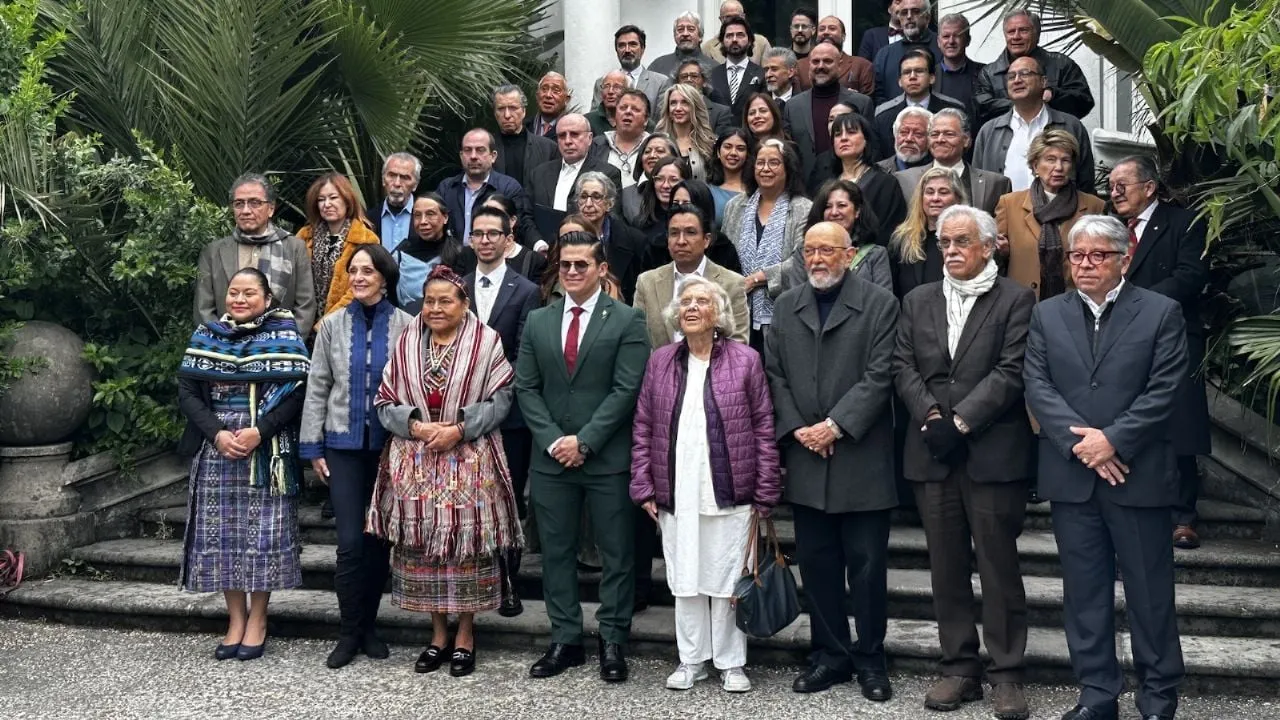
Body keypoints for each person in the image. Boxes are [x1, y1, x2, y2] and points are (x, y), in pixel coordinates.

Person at [1023, 215, 1187, 720]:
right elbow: (1038, 385)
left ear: (1125, 258)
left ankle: (1158, 697)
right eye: (1077, 256)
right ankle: (1097, 695)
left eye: (1098, 255)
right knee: (1085, 596)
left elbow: (1165, 388)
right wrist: (1084, 446)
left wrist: (1113, 440)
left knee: (1150, 594)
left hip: (1137, 476)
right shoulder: (1048, 314)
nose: (1086, 264)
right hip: (1074, 480)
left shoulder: (1161, 312)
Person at [892, 205, 1036, 720]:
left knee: (998, 568)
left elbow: (1011, 370)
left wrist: (960, 423)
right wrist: (931, 416)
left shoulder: (1017, 299)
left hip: (991, 453)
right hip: (931, 452)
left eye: (960, 242)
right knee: (945, 567)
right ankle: (958, 668)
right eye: (943, 242)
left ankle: (1007, 674)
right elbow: (902, 364)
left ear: (989, 246)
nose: (949, 251)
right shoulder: (917, 299)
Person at [765, 221, 900, 702]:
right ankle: (829, 656)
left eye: (828, 250)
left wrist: (835, 425)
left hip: (859, 458)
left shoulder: (880, 305)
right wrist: (800, 428)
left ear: (850, 254)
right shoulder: (785, 306)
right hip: (807, 457)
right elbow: (774, 374)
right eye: (810, 251)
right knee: (818, 566)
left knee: (867, 568)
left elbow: (881, 374)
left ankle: (870, 659)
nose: (817, 259)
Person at [368, 264, 522, 678]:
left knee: (465, 549)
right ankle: (437, 635)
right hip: (415, 462)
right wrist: (417, 426)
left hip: (470, 460)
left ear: (464, 304)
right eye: (429, 301)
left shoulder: (487, 343)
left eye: (445, 301)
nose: (435, 308)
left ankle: (466, 635)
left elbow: (502, 399)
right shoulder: (405, 344)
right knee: (423, 551)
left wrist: (458, 429)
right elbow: (384, 400)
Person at [631, 275, 780, 694]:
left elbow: (763, 427)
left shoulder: (746, 360)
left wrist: (766, 490)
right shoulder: (660, 360)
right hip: (677, 489)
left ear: (719, 313)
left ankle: (731, 662)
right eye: (685, 302)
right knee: (686, 576)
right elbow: (643, 426)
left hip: (731, 489)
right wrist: (642, 486)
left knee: (729, 576)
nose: (692, 307)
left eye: (701, 301)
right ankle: (691, 659)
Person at [515, 232, 650, 682]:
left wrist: (585, 441)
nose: (573, 272)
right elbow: (527, 388)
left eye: (582, 265)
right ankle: (565, 639)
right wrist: (555, 440)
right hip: (551, 459)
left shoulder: (628, 320)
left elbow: (626, 389)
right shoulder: (538, 321)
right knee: (555, 552)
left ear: (601, 268)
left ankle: (612, 639)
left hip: (607, 457)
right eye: (566, 265)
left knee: (617, 553)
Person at [177, 268, 309, 662]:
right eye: (233, 292)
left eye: (249, 293)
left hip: (262, 447)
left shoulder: (285, 337)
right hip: (217, 445)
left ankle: (259, 619)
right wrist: (216, 433)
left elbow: (298, 394)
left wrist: (260, 431)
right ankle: (235, 619)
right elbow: (187, 391)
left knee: (261, 536)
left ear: (267, 299)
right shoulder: (208, 336)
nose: (239, 299)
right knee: (221, 537)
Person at [300, 245, 413, 669]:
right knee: (349, 543)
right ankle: (348, 633)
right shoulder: (330, 325)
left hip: (388, 449)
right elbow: (317, 387)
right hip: (342, 446)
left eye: (368, 270)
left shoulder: (406, 325)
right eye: (354, 270)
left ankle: (370, 627)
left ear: (385, 277)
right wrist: (313, 448)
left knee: (378, 542)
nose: (360, 277)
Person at [1110, 155, 1211, 550]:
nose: (1114, 192)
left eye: (1123, 185)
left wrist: (1136, 303)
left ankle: (1183, 517)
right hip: (1119, 340)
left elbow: (1191, 277)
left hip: (1172, 335)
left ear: (1149, 187)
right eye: (1112, 186)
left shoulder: (1183, 222)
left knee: (1178, 429)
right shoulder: (1110, 227)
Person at [463, 206, 542, 617]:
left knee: (508, 499)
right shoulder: (456, 287)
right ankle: (472, 583)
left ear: (508, 238)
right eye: (479, 233)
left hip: (509, 414)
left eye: (495, 233)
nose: (487, 240)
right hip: (462, 414)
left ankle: (509, 582)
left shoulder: (526, 290)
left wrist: (489, 386)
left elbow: (522, 353)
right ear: (470, 238)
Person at [195, 174, 316, 337]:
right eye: (239, 204)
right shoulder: (213, 252)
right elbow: (204, 310)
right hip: (224, 351)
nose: (246, 210)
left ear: (271, 208)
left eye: (255, 203)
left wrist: (287, 344)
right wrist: (223, 343)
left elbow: (305, 306)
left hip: (279, 351)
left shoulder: (294, 248)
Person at [722, 139, 813, 351]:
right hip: (737, 309)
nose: (765, 169)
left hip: (784, 312)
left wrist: (758, 278)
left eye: (774, 163)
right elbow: (724, 254)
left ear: (788, 168)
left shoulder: (803, 208)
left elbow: (803, 259)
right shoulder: (735, 206)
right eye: (760, 163)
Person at [997, 129, 1106, 300]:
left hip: (1076, 302)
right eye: (1050, 160)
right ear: (1035, 166)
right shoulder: (1009, 204)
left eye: (1065, 160)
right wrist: (1001, 251)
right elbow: (994, 260)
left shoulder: (1094, 206)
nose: (1059, 167)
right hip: (1022, 304)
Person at [973, 54, 1096, 193]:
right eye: (1011, 76)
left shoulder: (1071, 126)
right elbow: (978, 186)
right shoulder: (989, 131)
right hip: (1002, 213)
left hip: (1061, 213)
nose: (1017, 80)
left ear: (1043, 82)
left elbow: (1086, 184)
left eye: (1025, 74)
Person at [634, 203, 749, 348]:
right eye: (674, 233)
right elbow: (638, 340)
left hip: (715, 369)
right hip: (659, 369)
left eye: (690, 232)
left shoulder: (732, 283)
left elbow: (738, 345)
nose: (681, 241)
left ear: (706, 240)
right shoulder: (647, 282)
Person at [974, 9, 1095, 125]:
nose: (1016, 36)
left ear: (1037, 34)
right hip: (1006, 141)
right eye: (1011, 31)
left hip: (1053, 139)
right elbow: (982, 109)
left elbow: (1084, 102)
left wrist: (1052, 95)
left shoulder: (1061, 64)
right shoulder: (988, 73)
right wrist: (1025, 105)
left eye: (1024, 30)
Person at [782, 41, 875, 182]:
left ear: (839, 65)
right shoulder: (793, 106)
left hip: (852, 185)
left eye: (827, 61)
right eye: (815, 61)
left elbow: (871, 150)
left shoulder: (862, 103)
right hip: (806, 189)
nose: (820, 66)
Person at [896, 108, 1012, 215]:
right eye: (934, 134)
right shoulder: (904, 180)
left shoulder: (996, 184)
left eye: (949, 134)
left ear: (966, 140)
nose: (940, 140)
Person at [297, 172, 380, 319]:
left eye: (333, 198)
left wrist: (328, 321)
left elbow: (361, 288)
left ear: (347, 200)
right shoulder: (304, 236)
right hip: (305, 321)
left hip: (348, 320)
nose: (327, 204)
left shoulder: (366, 238)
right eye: (321, 199)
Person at [787, 179, 893, 292]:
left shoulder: (876, 254)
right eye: (827, 207)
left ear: (857, 211)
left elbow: (884, 304)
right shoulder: (804, 251)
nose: (834, 212)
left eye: (841, 205)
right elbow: (796, 299)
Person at [812, 112, 908, 235]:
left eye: (851, 132)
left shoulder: (885, 183)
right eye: (838, 134)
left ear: (866, 140)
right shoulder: (826, 184)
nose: (844, 138)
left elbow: (890, 231)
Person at [436, 129, 532, 244]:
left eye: (480, 150)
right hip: (450, 258)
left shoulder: (508, 188)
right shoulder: (447, 188)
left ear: (493, 156)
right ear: (461, 156)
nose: (473, 156)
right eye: (467, 150)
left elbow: (517, 231)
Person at [891, 167, 968, 297]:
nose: (935, 198)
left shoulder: (969, 240)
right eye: (929, 192)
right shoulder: (902, 239)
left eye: (943, 192)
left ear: (958, 199)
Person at [570, 172, 646, 301]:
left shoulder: (635, 240)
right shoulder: (566, 236)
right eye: (583, 197)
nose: (588, 204)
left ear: (609, 203)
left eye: (596, 197)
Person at [873, 50, 966, 154]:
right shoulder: (883, 115)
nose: (912, 77)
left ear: (932, 78)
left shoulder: (953, 111)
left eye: (919, 71)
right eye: (907, 72)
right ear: (900, 81)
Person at [395, 193, 476, 310]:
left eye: (430, 214)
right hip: (409, 323)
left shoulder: (461, 254)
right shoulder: (400, 255)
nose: (423, 221)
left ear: (445, 217)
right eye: (417, 215)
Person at [528, 114, 623, 212]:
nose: (567, 141)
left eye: (574, 134)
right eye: (562, 135)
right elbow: (527, 213)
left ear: (589, 138)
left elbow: (612, 216)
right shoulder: (539, 173)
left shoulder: (608, 174)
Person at [872, 0, 944, 105]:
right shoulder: (884, 55)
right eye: (904, 13)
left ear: (928, 17)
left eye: (915, 11)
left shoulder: (943, 48)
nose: (909, 16)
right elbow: (878, 96)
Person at [492, 84, 560, 192]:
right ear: (495, 113)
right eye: (501, 109)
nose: (507, 115)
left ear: (523, 111)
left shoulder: (548, 149)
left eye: (513, 108)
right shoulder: (484, 149)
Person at [592, 25, 673, 111]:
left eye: (632, 44)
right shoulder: (601, 83)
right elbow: (595, 119)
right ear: (616, 50)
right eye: (622, 45)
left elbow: (661, 120)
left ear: (642, 49)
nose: (627, 50)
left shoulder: (660, 83)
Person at [671, 180, 743, 275]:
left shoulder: (723, 247)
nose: (680, 208)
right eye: (675, 204)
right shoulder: (657, 245)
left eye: (686, 203)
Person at [633, 156, 693, 268]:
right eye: (659, 179)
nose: (665, 185)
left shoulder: (697, 222)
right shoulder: (640, 223)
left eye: (673, 180)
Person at [707, 16, 765, 121]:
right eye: (729, 36)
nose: (734, 39)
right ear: (722, 41)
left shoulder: (762, 74)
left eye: (740, 35)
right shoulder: (710, 75)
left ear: (750, 41)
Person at [796, 19, 875, 96]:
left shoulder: (862, 65)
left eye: (832, 28)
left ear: (843, 36)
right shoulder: (800, 66)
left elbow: (868, 103)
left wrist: (856, 98)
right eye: (822, 29)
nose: (826, 32)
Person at [593, 89, 652, 189]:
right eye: (623, 108)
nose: (628, 112)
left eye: (635, 109)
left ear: (646, 120)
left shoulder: (655, 148)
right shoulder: (596, 145)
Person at [482, 194, 548, 283]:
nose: (489, 220)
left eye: (496, 215)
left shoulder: (534, 261)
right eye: (484, 214)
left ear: (512, 221)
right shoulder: (468, 255)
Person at [656, 84, 715, 182]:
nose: (678, 108)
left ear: (695, 107)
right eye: (673, 103)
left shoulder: (710, 143)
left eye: (685, 102)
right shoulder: (658, 142)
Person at [623, 134, 680, 223]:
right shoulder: (626, 195)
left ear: (674, 157)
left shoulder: (687, 190)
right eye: (647, 152)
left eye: (660, 151)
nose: (652, 155)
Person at [934, 14, 982, 118]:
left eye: (957, 35)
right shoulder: (930, 76)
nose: (951, 41)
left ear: (968, 40)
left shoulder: (984, 74)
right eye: (946, 36)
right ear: (938, 42)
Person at [674, 59, 738, 135]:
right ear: (677, 82)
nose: (689, 80)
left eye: (694, 76)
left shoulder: (721, 112)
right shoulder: (670, 110)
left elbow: (720, 143)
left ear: (704, 81)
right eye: (684, 77)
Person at [372, 152, 420, 251]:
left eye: (405, 177)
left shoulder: (426, 218)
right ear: (383, 180)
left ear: (415, 185)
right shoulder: (369, 219)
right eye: (392, 175)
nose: (397, 183)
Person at [649, 11, 717, 79]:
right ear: (675, 36)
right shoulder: (658, 66)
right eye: (680, 29)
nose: (685, 34)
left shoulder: (715, 68)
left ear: (700, 36)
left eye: (691, 29)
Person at [702, 1, 771, 64]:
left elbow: (769, 72)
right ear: (721, 19)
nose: (733, 20)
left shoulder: (761, 43)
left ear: (743, 17)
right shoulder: (708, 48)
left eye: (736, 17)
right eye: (728, 17)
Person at [707, 129, 752, 224]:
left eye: (740, 149)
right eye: (727, 147)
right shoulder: (707, 190)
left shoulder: (755, 191)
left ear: (747, 154)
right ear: (718, 152)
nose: (733, 153)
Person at [877, 106, 933, 172]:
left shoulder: (937, 171)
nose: (909, 139)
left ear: (930, 138)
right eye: (904, 132)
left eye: (918, 134)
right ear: (895, 134)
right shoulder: (877, 171)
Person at [528, 72, 571, 139]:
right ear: (537, 96)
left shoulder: (572, 130)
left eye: (556, 91)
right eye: (544, 89)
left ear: (566, 99)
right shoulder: (523, 128)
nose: (548, 95)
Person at [587, 71, 629, 137]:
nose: (610, 91)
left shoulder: (636, 120)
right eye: (606, 86)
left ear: (628, 91)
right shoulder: (588, 121)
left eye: (617, 87)